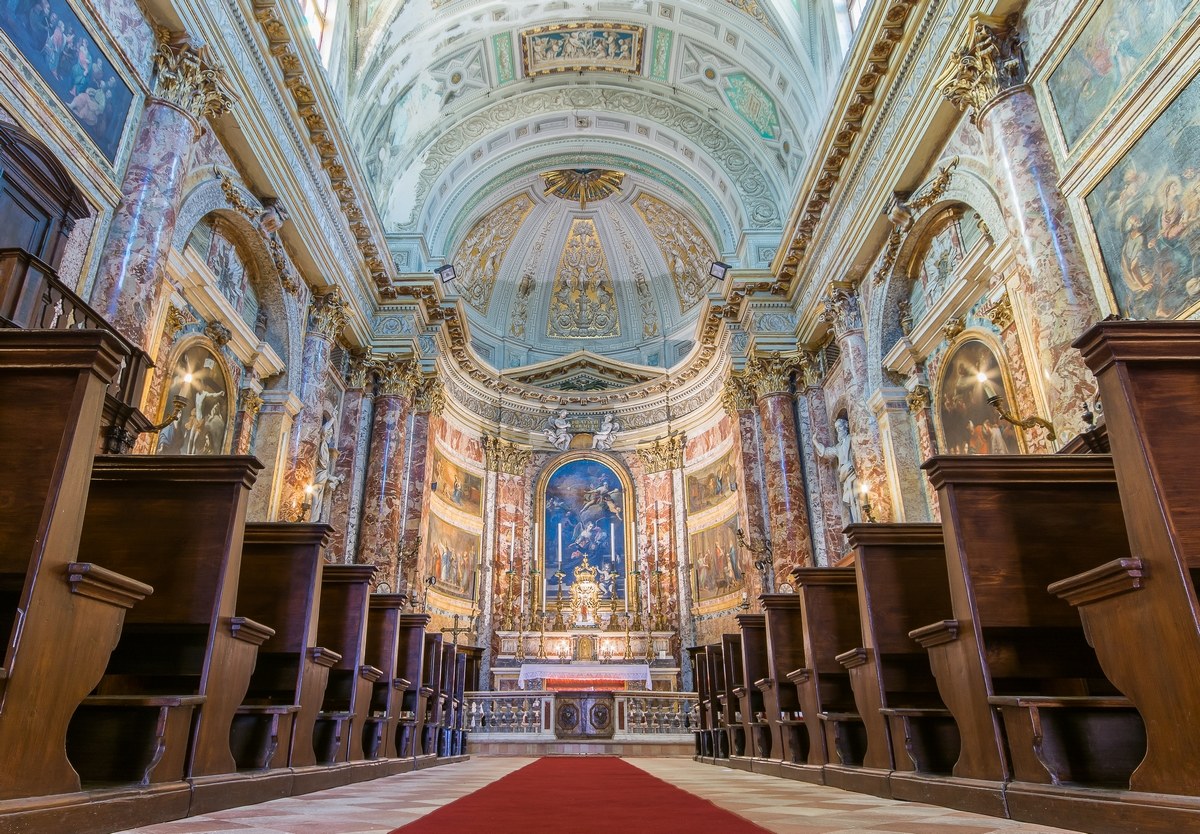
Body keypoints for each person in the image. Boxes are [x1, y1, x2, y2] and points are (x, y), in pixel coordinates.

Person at [813, 415, 861, 524]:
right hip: (845, 474)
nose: (839, 430)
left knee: (858, 498)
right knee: (852, 500)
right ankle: (858, 521)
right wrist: (815, 441)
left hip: (853, 471)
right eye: (837, 428)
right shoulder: (839, 447)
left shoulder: (850, 439)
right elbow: (826, 452)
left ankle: (862, 520)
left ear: (846, 426)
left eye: (840, 427)